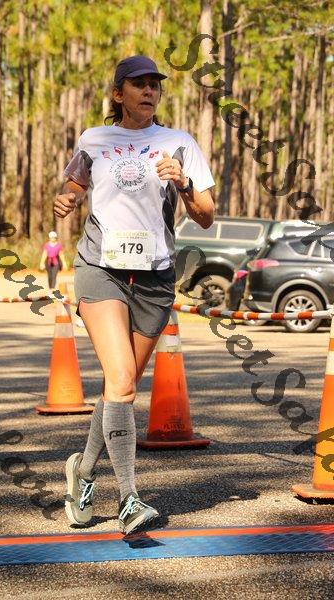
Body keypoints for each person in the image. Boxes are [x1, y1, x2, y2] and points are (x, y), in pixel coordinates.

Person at [54, 55, 215, 535]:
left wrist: (183, 182)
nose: (149, 91)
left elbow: (206, 215)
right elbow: (75, 182)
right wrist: (67, 198)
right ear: (118, 93)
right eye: (139, 84)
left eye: (155, 85)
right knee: (121, 377)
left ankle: (83, 473)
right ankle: (128, 500)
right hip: (101, 268)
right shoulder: (94, 139)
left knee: (119, 388)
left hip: (154, 278)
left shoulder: (179, 143)